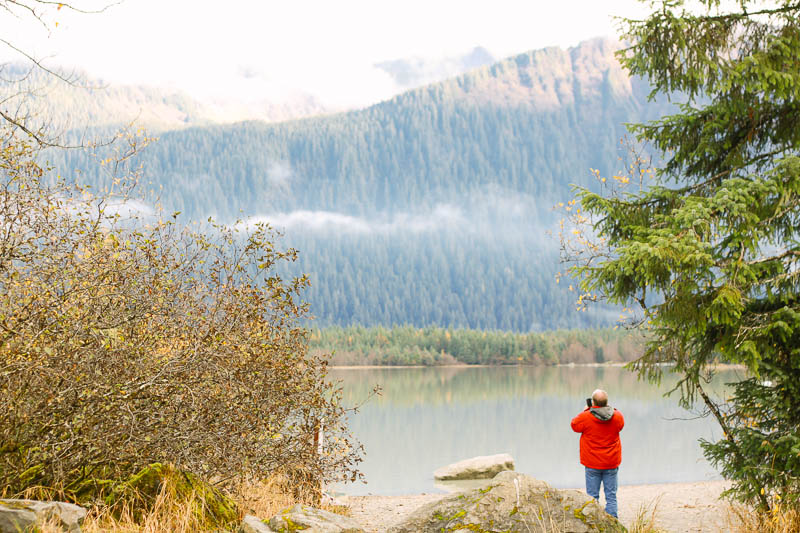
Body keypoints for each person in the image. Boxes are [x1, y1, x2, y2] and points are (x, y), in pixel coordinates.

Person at [570, 389, 624, 518]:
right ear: (607, 403)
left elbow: (574, 425)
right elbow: (620, 426)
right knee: (611, 496)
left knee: (592, 496)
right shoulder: (617, 416)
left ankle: (594, 523)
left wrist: (585, 410)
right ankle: (613, 524)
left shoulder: (586, 416)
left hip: (592, 463)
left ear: (593, 403)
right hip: (611, 462)